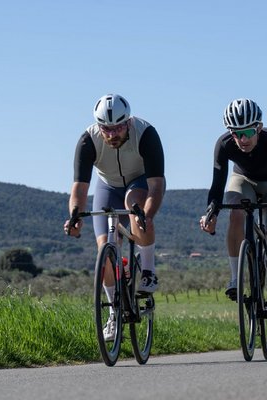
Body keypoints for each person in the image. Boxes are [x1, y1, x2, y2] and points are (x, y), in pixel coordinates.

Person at [64, 93, 166, 341]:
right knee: (104, 252)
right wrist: (75, 217)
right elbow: (79, 189)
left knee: (135, 207)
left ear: (128, 122)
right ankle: (113, 312)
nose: (111, 134)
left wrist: (147, 216)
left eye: (118, 127)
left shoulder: (146, 134)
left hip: (140, 182)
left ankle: (149, 269)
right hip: (107, 187)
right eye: (106, 129)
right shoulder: (88, 140)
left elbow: (156, 185)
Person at [199, 98, 267, 333]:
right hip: (243, 180)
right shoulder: (224, 145)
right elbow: (217, 186)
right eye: (236, 133)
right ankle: (236, 277)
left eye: (249, 132)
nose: (242, 140)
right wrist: (210, 212)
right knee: (235, 211)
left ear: (259, 128)